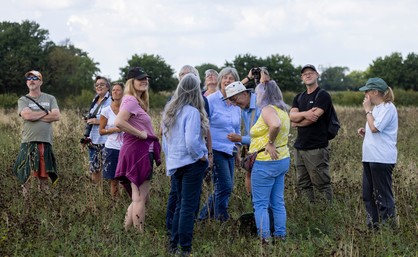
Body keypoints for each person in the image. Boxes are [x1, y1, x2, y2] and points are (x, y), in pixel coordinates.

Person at [162, 73, 209, 256]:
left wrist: (171, 159)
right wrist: (201, 156)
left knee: (180, 205)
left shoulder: (170, 112)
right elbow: (191, 141)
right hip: (191, 163)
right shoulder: (192, 112)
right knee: (188, 207)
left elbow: (165, 142)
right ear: (196, 90)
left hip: (175, 163)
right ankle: (185, 248)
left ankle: (174, 245)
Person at [114, 67, 161, 232]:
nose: (144, 81)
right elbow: (119, 122)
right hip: (137, 152)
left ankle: (125, 231)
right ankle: (140, 237)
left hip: (137, 151)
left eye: (146, 78)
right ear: (131, 82)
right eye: (140, 79)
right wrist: (140, 134)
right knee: (140, 197)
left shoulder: (135, 101)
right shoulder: (131, 100)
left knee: (139, 197)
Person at [198, 67, 241, 222]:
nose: (227, 81)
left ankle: (203, 218)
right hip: (215, 149)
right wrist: (207, 151)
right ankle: (221, 218)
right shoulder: (211, 100)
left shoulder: (236, 103)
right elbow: (204, 124)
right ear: (220, 80)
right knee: (225, 186)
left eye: (231, 78)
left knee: (223, 188)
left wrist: (238, 151)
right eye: (225, 78)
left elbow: (236, 129)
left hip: (230, 150)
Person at [357, 77, 398, 229]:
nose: (365, 95)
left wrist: (367, 110)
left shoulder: (388, 107)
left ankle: (388, 230)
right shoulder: (377, 109)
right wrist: (365, 132)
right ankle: (373, 228)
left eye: (367, 91)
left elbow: (375, 128)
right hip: (369, 157)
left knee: (383, 196)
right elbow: (373, 129)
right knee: (368, 195)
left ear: (375, 92)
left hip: (382, 159)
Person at [289, 64, 334, 203]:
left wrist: (298, 121)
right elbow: (291, 116)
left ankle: (326, 214)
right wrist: (305, 114)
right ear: (302, 78)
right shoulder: (298, 97)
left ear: (317, 75)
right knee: (303, 184)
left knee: (321, 184)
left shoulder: (323, 95)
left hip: (316, 147)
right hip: (300, 147)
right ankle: (311, 212)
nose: (308, 75)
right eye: (305, 74)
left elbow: (313, 119)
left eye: (311, 72)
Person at [13, 70, 61, 197]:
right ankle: (26, 203)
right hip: (28, 142)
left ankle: (43, 202)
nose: (31, 80)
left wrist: (35, 115)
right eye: (29, 78)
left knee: (43, 176)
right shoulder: (23, 99)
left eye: (35, 78)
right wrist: (46, 112)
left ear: (41, 82)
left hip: (45, 142)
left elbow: (56, 116)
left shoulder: (50, 98)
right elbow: (27, 115)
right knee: (26, 175)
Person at [83, 76, 112, 183]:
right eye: (97, 85)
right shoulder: (95, 99)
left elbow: (115, 118)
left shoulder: (111, 100)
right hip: (93, 139)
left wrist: (97, 121)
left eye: (102, 84)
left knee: (108, 170)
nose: (99, 86)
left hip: (106, 140)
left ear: (108, 87)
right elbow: (93, 116)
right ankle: (97, 195)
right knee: (94, 169)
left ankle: (109, 197)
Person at [99, 82, 124, 197]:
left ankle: (128, 203)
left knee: (127, 179)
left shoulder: (127, 110)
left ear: (124, 93)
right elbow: (101, 131)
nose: (115, 92)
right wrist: (114, 129)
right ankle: (114, 206)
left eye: (118, 90)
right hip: (112, 148)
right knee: (114, 180)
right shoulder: (106, 110)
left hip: (127, 148)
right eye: (113, 90)